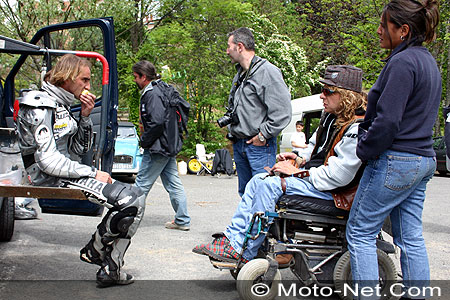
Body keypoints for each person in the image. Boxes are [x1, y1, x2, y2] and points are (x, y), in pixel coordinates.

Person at [193, 65, 366, 263]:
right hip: (320, 182)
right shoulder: (330, 118)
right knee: (258, 179)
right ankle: (234, 241)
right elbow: (313, 148)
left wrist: (296, 173)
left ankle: (245, 253)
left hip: (336, 193)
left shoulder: (357, 128)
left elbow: (338, 177)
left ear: (346, 96)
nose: (321, 96)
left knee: (270, 185)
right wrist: (298, 159)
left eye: (328, 91)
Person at [16, 54, 146, 287]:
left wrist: (85, 117)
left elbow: (78, 149)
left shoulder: (61, 103)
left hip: (63, 173)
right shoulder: (39, 103)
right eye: (84, 80)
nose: (88, 86)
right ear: (66, 77)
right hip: (48, 178)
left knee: (136, 198)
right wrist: (91, 172)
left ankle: (108, 265)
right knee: (129, 201)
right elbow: (48, 162)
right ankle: (98, 253)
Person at [345, 1, 441, 299]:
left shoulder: (402, 63)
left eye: (383, 25)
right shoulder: (427, 62)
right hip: (423, 158)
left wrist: (363, 149)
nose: (378, 30)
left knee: (360, 232)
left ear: (403, 30)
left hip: (397, 159)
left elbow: (388, 120)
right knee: (410, 237)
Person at [224, 27, 292, 196]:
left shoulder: (267, 71)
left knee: (263, 194)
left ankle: (264, 224)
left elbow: (282, 112)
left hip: (259, 146)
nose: (227, 52)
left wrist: (262, 135)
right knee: (246, 194)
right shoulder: (241, 74)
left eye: (229, 47)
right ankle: (249, 224)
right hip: (240, 143)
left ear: (240, 47)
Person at [132, 60, 191, 231]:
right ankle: (182, 220)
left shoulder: (153, 94)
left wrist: (145, 141)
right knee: (173, 183)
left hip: (158, 147)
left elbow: (157, 122)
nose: (135, 80)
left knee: (141, 184)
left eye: (136, 77)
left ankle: (128, 217)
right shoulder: (160, 89)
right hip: (167, 145)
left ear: (144, 77)